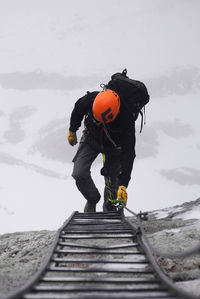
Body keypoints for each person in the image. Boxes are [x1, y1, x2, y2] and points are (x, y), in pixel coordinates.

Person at [67, 71, 148, 213]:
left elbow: (129, 154)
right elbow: (79, 107)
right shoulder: (93, 99)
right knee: (79, 173)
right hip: (91, 137)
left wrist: (124, 184)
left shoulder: (126, 120)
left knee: (113, 186)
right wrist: (73, 130)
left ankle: (110, 210)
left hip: (114, 147)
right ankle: (92, 199)